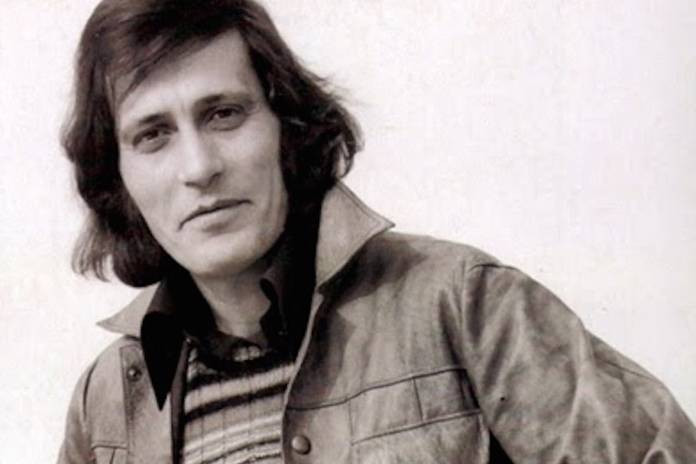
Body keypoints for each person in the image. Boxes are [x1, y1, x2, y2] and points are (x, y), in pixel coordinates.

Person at [58, 0, 696, 463]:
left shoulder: (464, 305)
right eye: (153, 135)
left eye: (224, 114)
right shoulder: (107, 405)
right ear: (117, 175)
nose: (199, 167)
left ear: (284, 126)